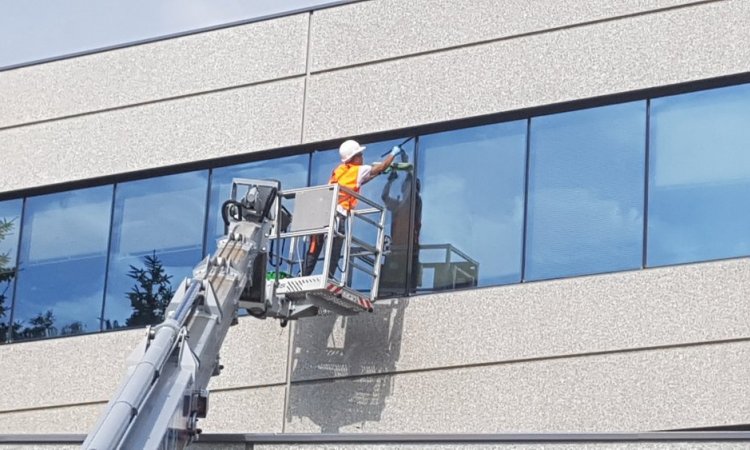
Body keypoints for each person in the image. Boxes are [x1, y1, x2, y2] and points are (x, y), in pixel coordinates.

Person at [302, 139, 403, 278]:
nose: (362, 158)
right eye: (360, 155)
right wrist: (393, 154)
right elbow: (380, 167)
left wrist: (378, 173)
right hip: (338, 214)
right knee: (335, 249)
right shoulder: (358, 170)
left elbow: (361, 180)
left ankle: (304, 275)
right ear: (353, 158)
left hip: (322, 211)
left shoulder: (341, 170)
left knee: (315, 247)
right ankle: (329, 277)